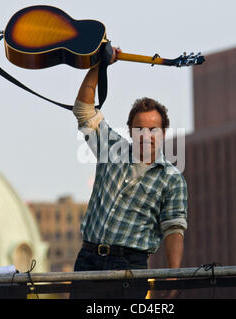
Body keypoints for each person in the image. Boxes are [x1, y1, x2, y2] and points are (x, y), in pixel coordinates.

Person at [70, 47, 188, 299]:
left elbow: (173, 227)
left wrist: (174, 275)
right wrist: (98, 66)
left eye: (153, 129)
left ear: (164, 132)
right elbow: (83, 110)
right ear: (131, 131)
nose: (146, 135)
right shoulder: (111, 148)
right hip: (88, 259)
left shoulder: (172, 179)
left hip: (130, 266)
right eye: (140, 129)